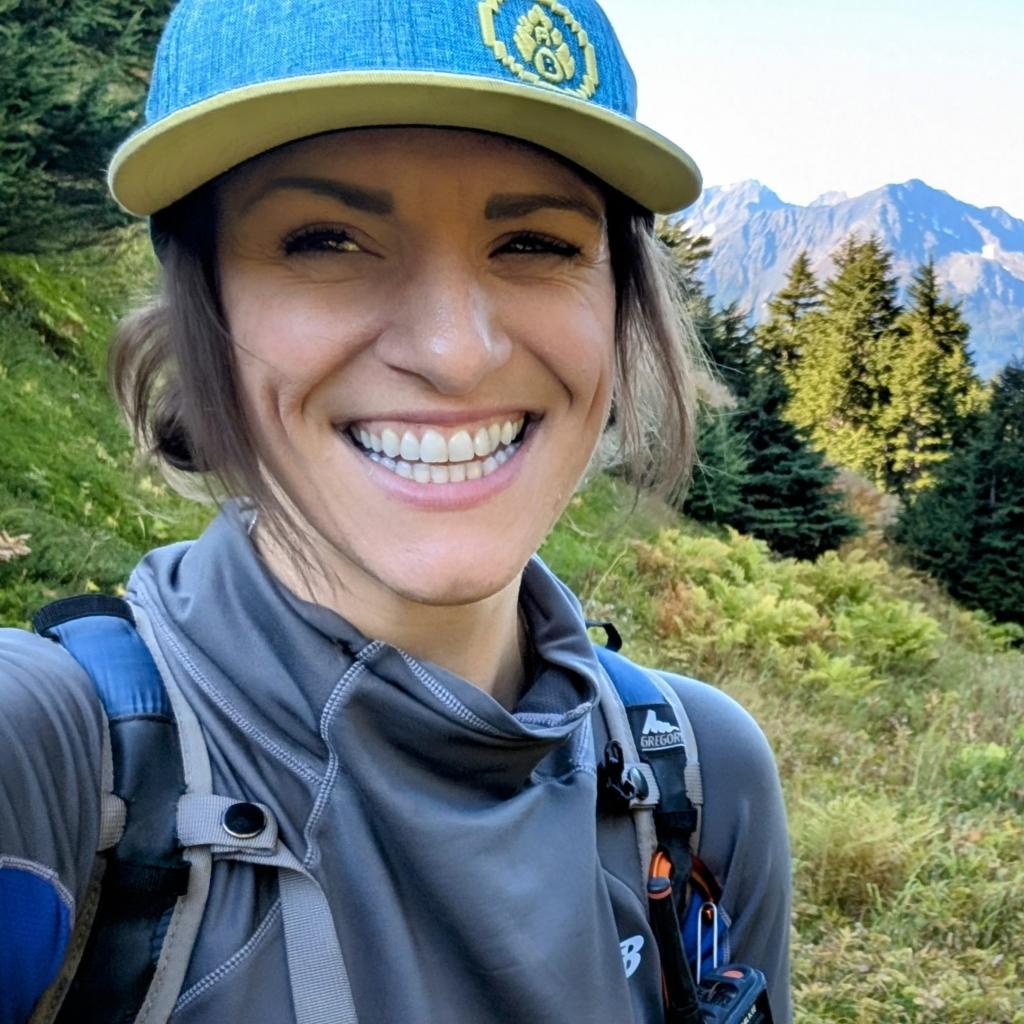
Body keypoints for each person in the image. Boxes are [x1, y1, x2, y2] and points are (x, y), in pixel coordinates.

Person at [0, 1, 792, 1022]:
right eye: (325, 238)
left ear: (621, 304)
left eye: (534, 242)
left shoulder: (701, 781)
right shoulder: (47, 763)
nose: (455, 351)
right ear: (205, 304)